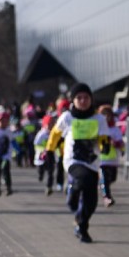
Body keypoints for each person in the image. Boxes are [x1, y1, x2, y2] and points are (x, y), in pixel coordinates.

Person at [45, 83, 111, 243]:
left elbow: (103, 138)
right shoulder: (67, 117)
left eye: (86, 97)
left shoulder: (99, 119)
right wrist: (49, 150)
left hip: (92, 161)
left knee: (92, 201)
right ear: (72, 100)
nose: (83, 100)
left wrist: (105, 145)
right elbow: (55, 134)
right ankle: (72, 192)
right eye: (79, 98)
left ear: (91, 99)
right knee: (83, 179)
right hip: (72, 160)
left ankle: (81, 227)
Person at [98, 104, 124, 207]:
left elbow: (121, 143)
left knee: (112, 178)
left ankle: (103, 185)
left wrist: (118, 146)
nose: (105, 117)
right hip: (101, 158)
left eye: (107, 115)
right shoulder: (98, 129)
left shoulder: (114, 130)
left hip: (113, 159)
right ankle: (107, 197)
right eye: (103, 115)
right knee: (104, 177)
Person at [34, 114, 55, 195]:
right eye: (49, 124)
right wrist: (42, 150)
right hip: (42, 155)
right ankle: (40, 174)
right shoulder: (41, 134)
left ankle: (49, 187)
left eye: (52, 124)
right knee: (41, 168)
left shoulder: (54, 132)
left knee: (51, 171)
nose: (50, 126)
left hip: (51, 154)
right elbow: (36, 143)